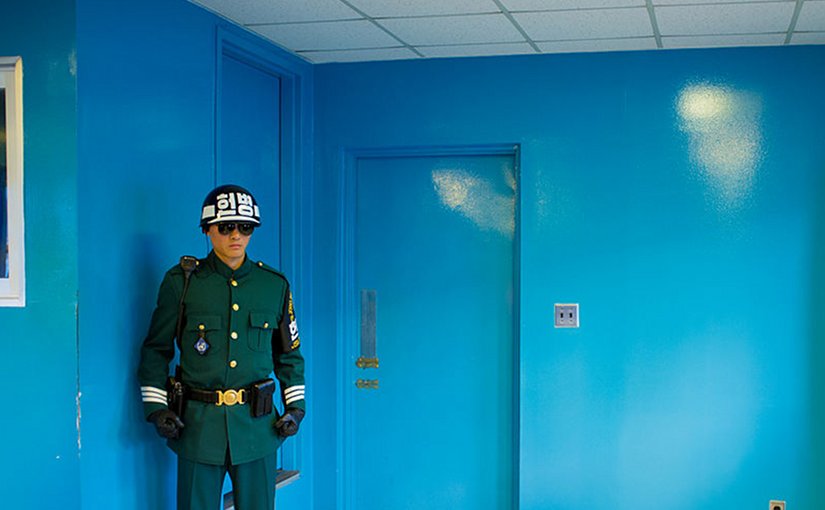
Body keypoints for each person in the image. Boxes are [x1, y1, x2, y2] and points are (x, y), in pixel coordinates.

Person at [138, 184, 306, 510]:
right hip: (198, 427)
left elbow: (289, 354)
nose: (236, 236)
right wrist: (157, 409)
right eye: (225, 227)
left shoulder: (273, 285)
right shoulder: (182, 282)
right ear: (207, 229)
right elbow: (156, 349)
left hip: (257, 428)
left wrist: (296, 408)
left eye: (245, 227)